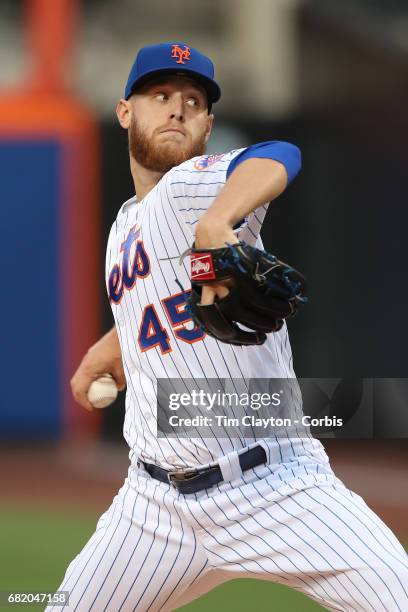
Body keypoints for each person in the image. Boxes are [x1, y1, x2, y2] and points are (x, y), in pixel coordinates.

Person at [49, 42, 408, 612]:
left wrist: (218, 220)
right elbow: (158, 300)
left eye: (193, 102)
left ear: (208, 124)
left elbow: (278, 152)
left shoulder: (193, 185)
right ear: (125, 112)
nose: (177, 109)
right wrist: (109, 346)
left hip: (275, 488)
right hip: (152, 508)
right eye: (160, 96)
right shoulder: (123, 226)